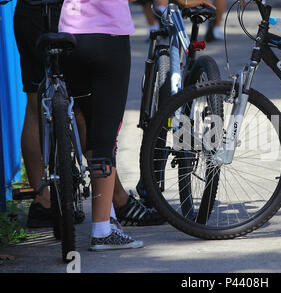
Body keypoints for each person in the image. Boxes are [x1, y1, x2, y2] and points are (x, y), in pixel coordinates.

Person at [59, 0, 215, 251]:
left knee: (84, 118)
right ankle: (101, 230)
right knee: (106, 134)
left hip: (69, 34)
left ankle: (106, 211)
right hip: (109, 36)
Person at [13, 0, 164, 229]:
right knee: (86, 111)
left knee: (35, 104)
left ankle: (42, 200)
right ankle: (117, 201)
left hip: (29, 10)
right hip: (66, 13)